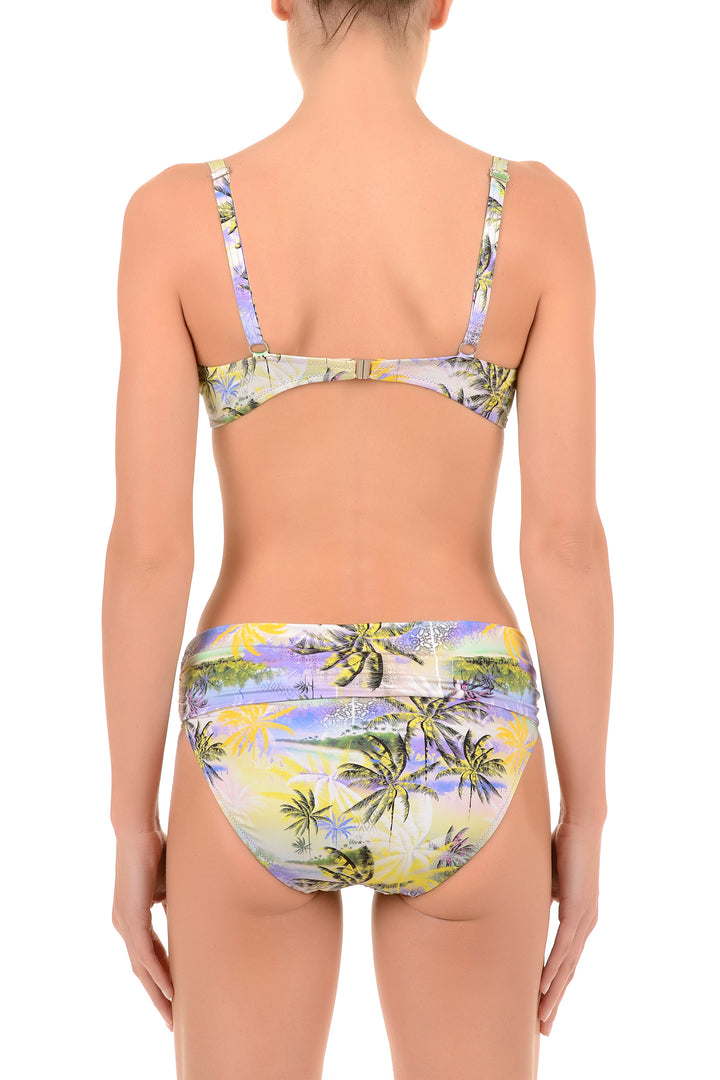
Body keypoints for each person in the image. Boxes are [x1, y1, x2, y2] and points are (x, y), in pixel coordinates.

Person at [102, 1, 612, 1076]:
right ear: (441, 5)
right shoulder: (537, 215)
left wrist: (131, 826)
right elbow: (564, 542)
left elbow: (151, 551)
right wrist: (588, 819)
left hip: (254, 721)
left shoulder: (177, 216)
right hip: (468, 721)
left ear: (282, 0)